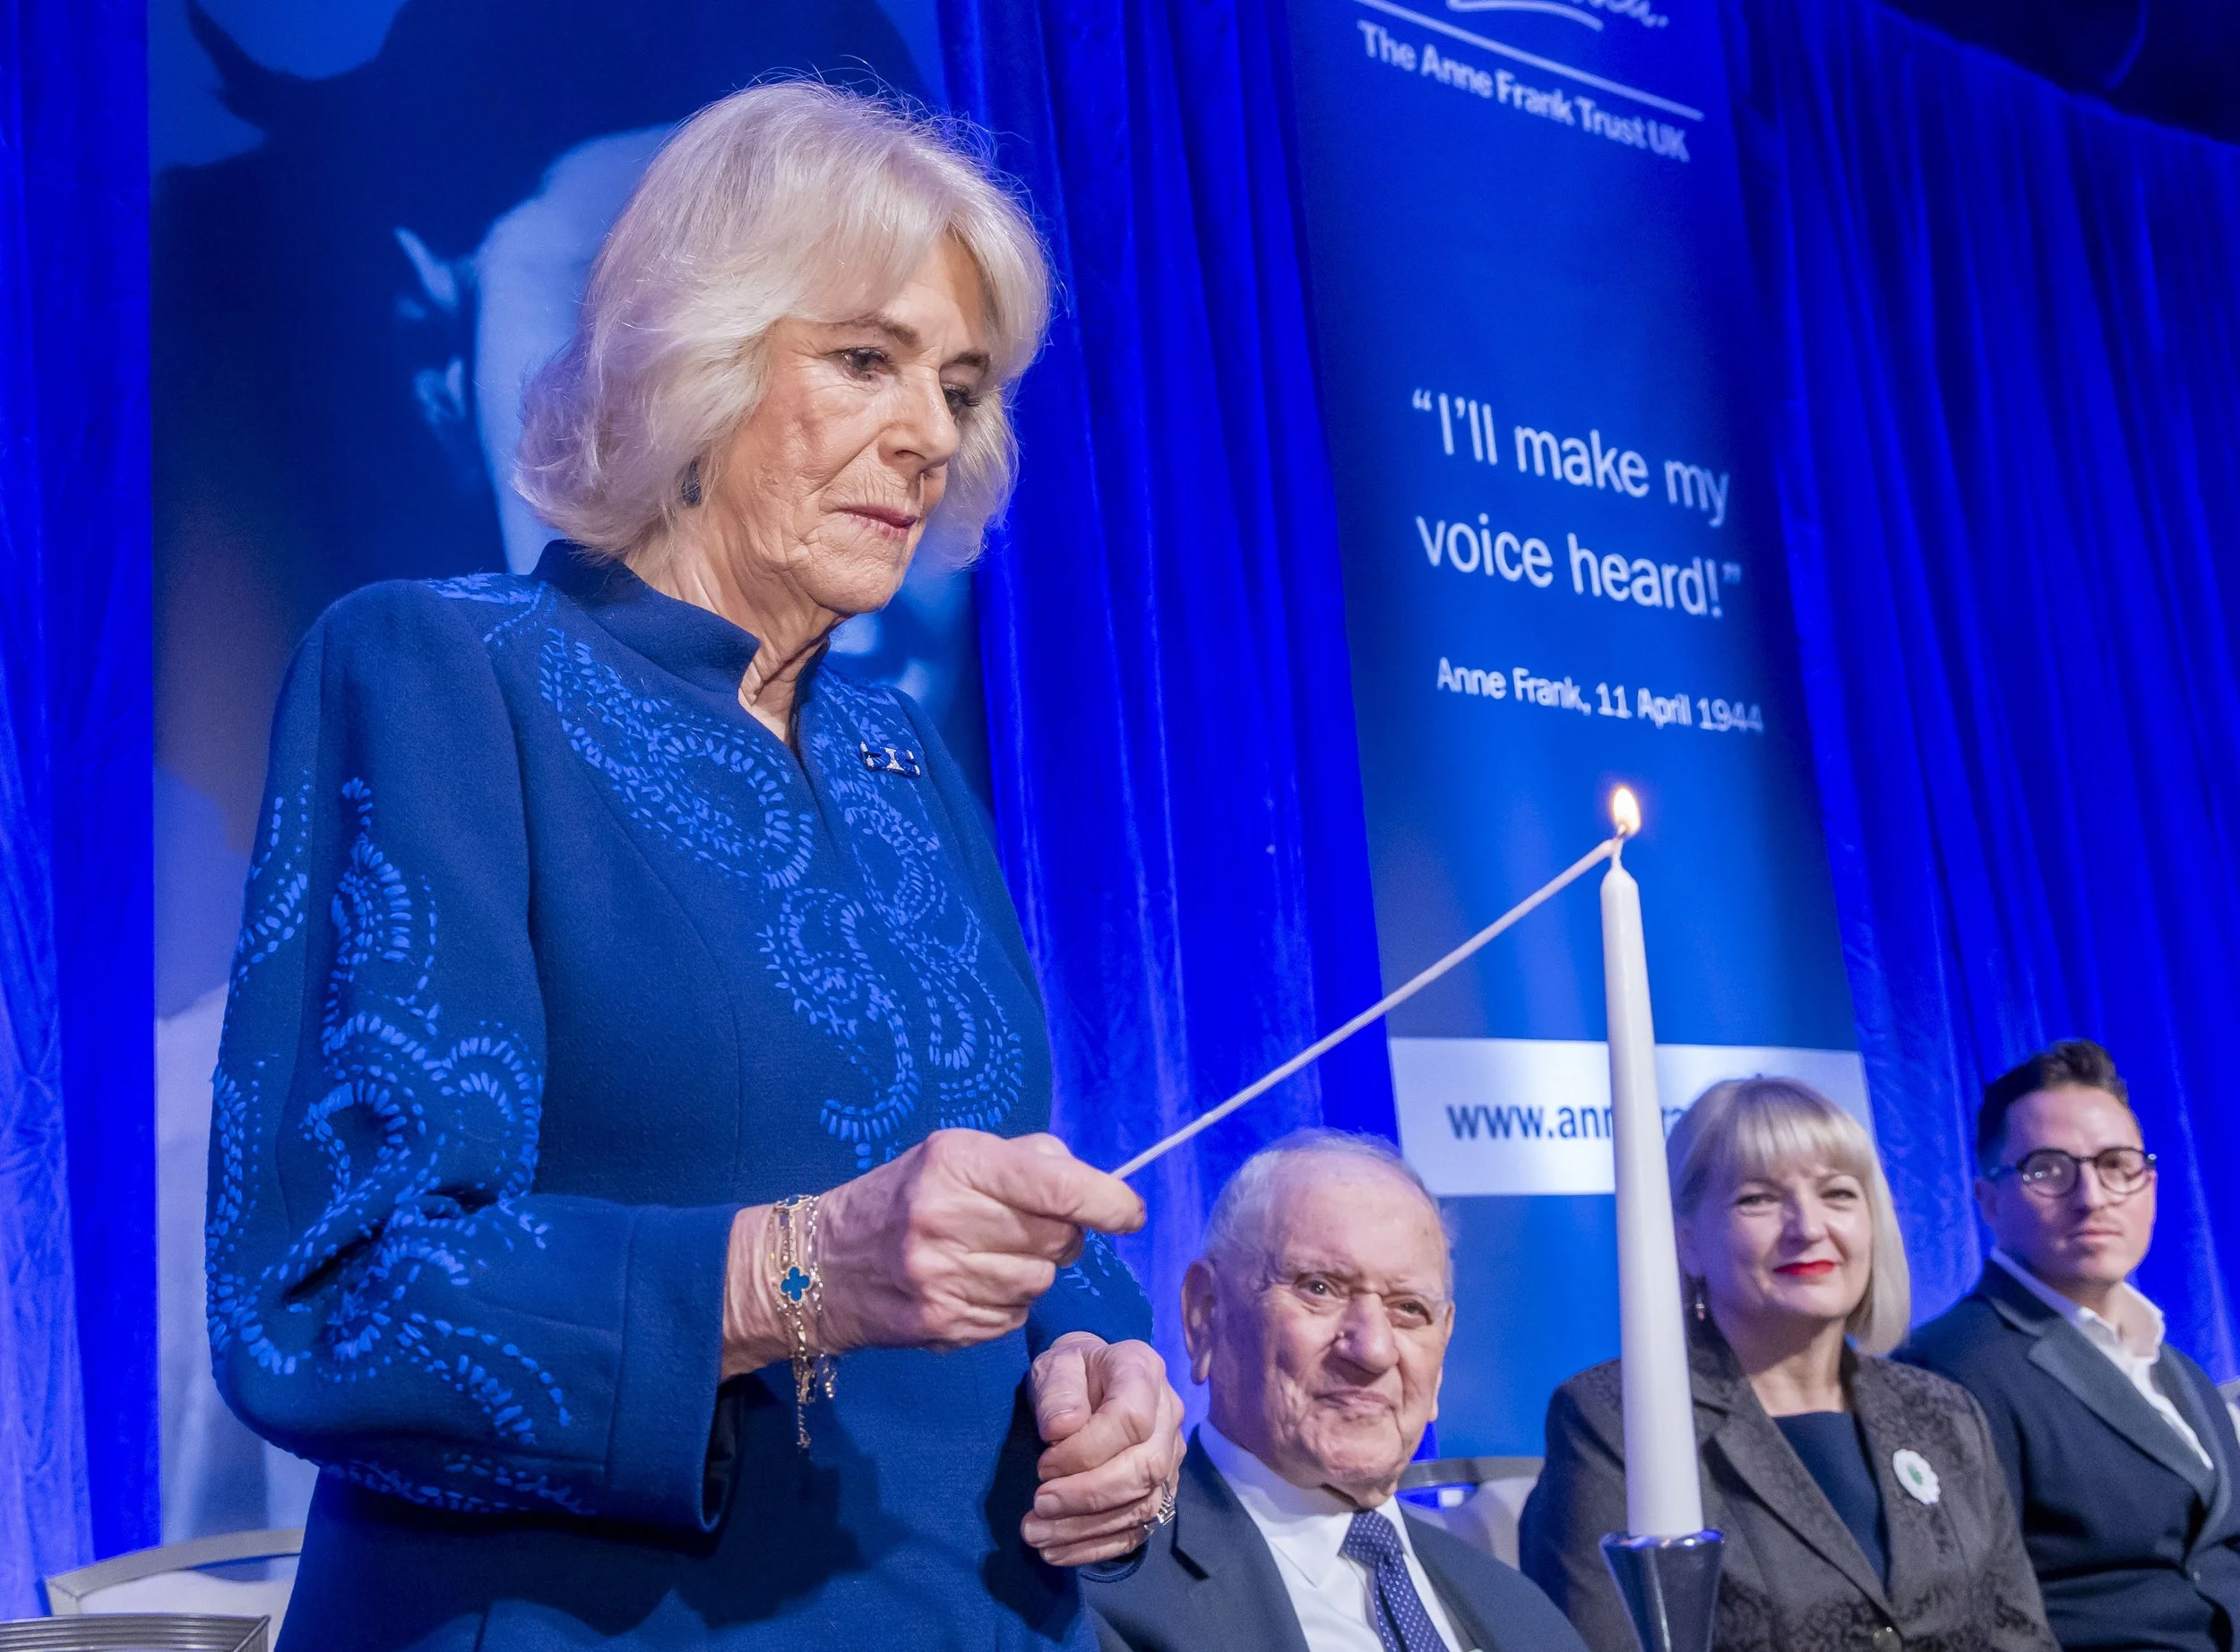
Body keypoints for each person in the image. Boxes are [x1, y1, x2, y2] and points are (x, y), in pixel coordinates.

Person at [207, 83, 1187, 1651]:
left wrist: (1100, 1368)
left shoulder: (900, 760)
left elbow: (1000, 1191)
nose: (932, 435)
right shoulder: (447, 671)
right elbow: (327, 1295)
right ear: (695, 355)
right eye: (865, 360)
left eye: (961, 386)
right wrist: (789, 1274)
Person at [1520, 1078, 2054, 1652]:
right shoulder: (1620, 1419)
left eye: (1838, 1194)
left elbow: (2021, 1636)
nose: (1808, 1227)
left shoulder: (1946, 1412)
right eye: (1758, 1199)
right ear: (1688, 1241)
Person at [1086, 1130, 1587, 1652]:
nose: (1373, 1349)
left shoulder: (1521, 1610)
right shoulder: (1106, 1597)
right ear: (1205, 1313)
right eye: (1319, 1287)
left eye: (1409, 1309)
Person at [1900, 1041, 2240, 1651]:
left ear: (2150, 1184)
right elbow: (1964, 1619)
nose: (2092, 1197)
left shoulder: (2178, 1368)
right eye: (2049, 1169)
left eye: (2116, 1164)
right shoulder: (1944, 1374)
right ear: (1989, 1201)